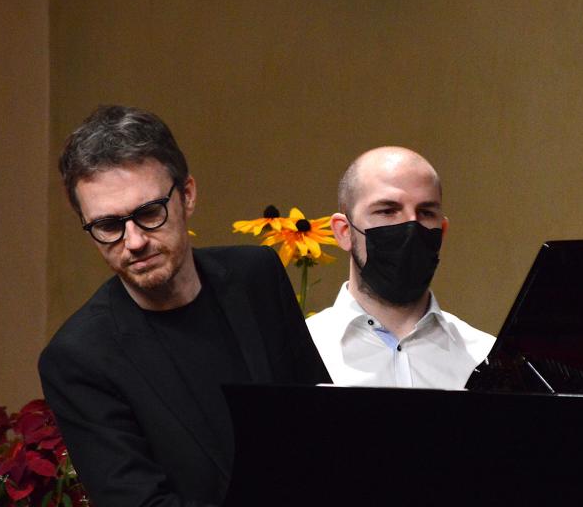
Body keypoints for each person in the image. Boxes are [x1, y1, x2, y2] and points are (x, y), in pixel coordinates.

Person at [38, 105, 330, 507]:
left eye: (149, 213)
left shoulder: (257, 276)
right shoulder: (79, 358)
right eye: (109, 226)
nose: (135, 241)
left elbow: (321, 425)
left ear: (187, 195)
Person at [307, 146, 495, 389]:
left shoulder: (485, 358)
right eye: (387, 211)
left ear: (442, 232)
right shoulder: (302, 350)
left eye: (426, 212)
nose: (410, 227)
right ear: (343, 231)